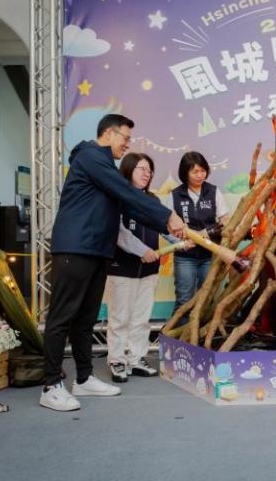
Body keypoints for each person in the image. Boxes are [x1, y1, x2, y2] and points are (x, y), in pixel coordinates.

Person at [40, 114, 185, 412]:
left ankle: (83, 378)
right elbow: (127, 192)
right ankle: (51, 385)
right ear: (108, 133)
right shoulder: (91, 156)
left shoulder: (105, 169)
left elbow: (131, 206)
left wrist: (168, 226)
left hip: (97, 251)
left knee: (85, 319)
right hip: (75, 247)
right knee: (62, 317)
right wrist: (167, 216)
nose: (127, 144)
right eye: (125, 138)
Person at [105, 153, 165, 383]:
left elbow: (166, 226)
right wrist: (142, 251)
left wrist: (184, 238)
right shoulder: (117, 198)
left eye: (149, 170)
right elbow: (119, 233)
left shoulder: (153, 200)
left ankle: (136, 358)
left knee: (142, 317)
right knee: (120, 317)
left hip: (149, 270)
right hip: (122, 267)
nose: (147, 174)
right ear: (128, 169)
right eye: (142, 168)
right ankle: (117, 360)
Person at [171, 152, 231, 314]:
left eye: (203, 170)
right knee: (184, 299)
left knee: (207, 298)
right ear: (185, 173)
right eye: (195, 172)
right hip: (185, 256)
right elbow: (170, 227)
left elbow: (225, 221)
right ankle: (179, 330)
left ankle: (202, 330)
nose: (200, 175)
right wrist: (183, 242)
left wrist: (204, 233)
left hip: (209, 254)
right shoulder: (175, 195)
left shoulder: (213, 191)